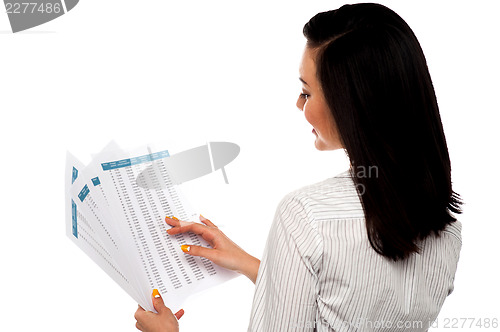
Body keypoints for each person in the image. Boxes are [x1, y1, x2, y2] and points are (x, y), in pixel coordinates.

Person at [134, 3, 462, 331]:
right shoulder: (446, 227)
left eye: (306, 92)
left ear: (349, 103)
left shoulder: (305, 215)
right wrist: (252, 263)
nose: (298, 103)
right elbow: (348, 307)